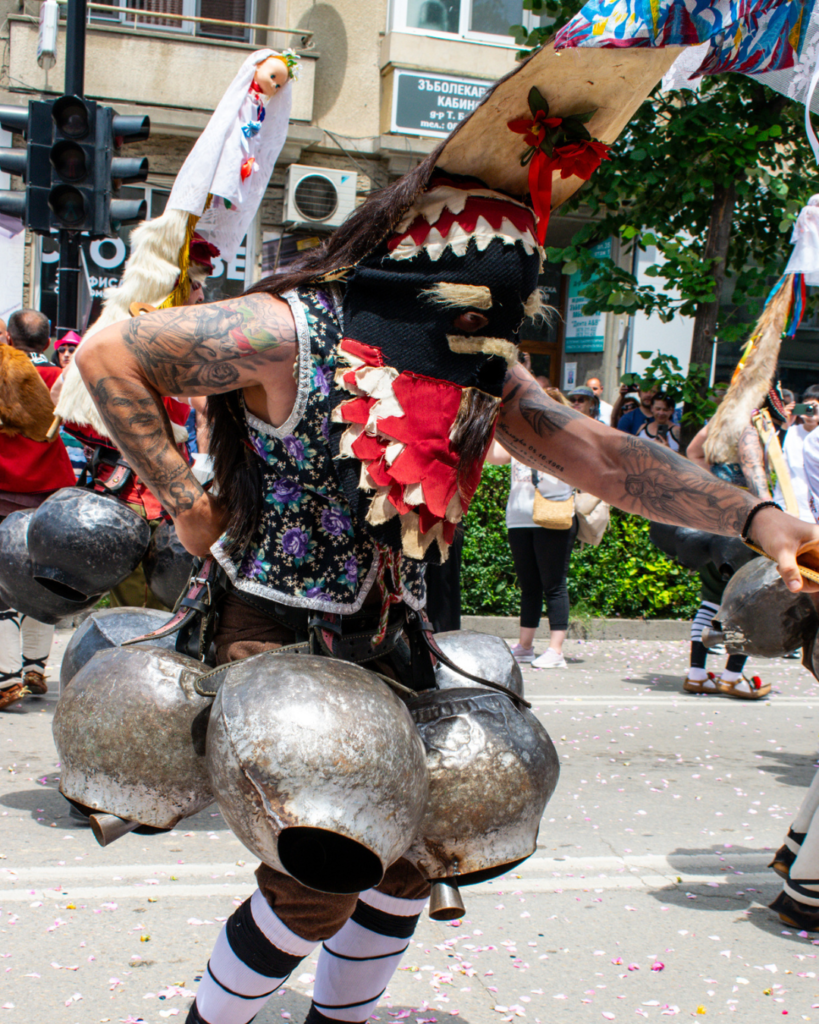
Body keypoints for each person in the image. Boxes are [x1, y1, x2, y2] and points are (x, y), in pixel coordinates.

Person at [75, 165, 819, 1024]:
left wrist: (757, 516)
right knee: (321, 873)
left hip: (396, 632)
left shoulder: (487, 376)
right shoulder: (292, 330)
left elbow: (605, 460)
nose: (485, 328)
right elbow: (110, 354)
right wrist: (186, 500)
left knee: (409, 865)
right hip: (272, 627)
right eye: (470, 308)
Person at [0, 311, 75, 711]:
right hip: (50, 491)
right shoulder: (59, 379)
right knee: (40, 582)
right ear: (48, 344)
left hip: (4, 488)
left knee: (1, 588)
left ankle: (7, 678)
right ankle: (34, 666)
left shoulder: (2, 369)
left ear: (9, 339)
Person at [486, 433, 576, 670]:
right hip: (518, 517)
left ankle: (556, 651)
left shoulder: (563, 438)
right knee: (529, 586)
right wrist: (491, 424)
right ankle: (525, 647)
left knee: (554, 584)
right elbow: (492, 457)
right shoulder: (516, 437)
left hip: (552, 515)